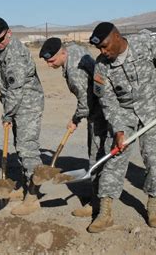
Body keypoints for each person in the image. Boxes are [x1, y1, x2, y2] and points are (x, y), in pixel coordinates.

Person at [88, 22, 156, 233]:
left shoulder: (145, 43)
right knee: (115, 158)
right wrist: (118, 129)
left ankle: (154, 205)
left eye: (105, 46)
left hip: (153, 113)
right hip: (124, 114)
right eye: (99, 48)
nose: (103, 52)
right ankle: (106, 211)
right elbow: (107, 101)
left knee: (154, 160)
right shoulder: (101, 66)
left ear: (118, 37)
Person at [39, 37, 112, 218]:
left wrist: (75, 119)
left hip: (100, 112)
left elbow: (85, 103)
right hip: (105, 104)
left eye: (52, 61)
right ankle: (99, 197)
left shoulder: (73, 71)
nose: (50, 65)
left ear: (62, 53)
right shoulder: (74, 49)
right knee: (101, 155)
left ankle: (97, 204)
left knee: (96, 157)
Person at [0, 17, 44, 216]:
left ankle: (33, 197)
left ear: (9, 33)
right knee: (21, 147)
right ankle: (28, 186)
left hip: (26, 104)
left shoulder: (15, 54)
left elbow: (16, 89)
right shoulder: (3, 50)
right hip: (17, 104)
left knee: (27, 148)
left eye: (0, 39)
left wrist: (7, 114)